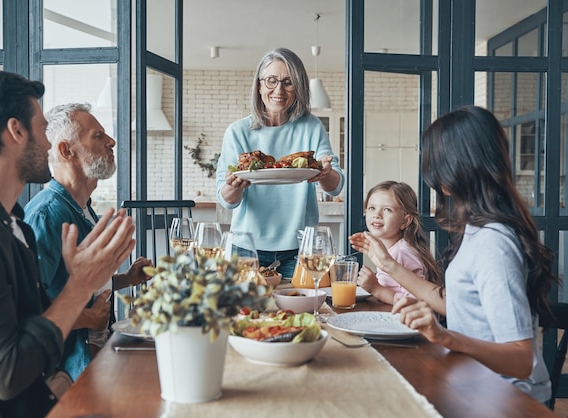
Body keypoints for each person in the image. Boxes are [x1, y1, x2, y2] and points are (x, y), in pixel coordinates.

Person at [0, 71, 136, 418]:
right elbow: (7, 375)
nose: (49, 145)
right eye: (42, 128)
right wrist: (80, 285)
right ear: (17, 131)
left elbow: (39, 319)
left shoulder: (12, 222)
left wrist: (61, 380)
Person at [350, 105, 557, 404]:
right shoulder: (476, 228)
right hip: (471, 377)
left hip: (504, 397)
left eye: (435, 163)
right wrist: (389, 266)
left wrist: (444, 337)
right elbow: (455, 303)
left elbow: (522, 359)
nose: (432, 177)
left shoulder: (493, 243)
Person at [24, 103, 152, 381]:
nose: (112, 141)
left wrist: (125, 279)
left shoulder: (83, 208)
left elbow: (77, 283)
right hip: (68, 372)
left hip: (98, 353)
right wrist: (87, 319)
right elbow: (30, 308)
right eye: (98, 136)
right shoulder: (46, 216)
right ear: (66, 151)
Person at [215, 47, 345, 279]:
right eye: (271, 81)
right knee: (245, 312)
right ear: (259, 85)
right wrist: (233, 187)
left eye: (288, 82)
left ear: (299, 88)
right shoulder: (237, 132)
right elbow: (227, 200)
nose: (279, 90)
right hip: (247, 246)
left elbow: (335, 185)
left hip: (301, 245)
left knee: (303, 308)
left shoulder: (311, 126)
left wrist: (325, 172)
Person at [352, 181, 440, 305]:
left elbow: (416, 301)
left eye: (387, 210)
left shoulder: (402, 253)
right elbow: (394, 285)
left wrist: (376, 288)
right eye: (372, 208)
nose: (377, 215)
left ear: (405, 221)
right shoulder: (390, 250)